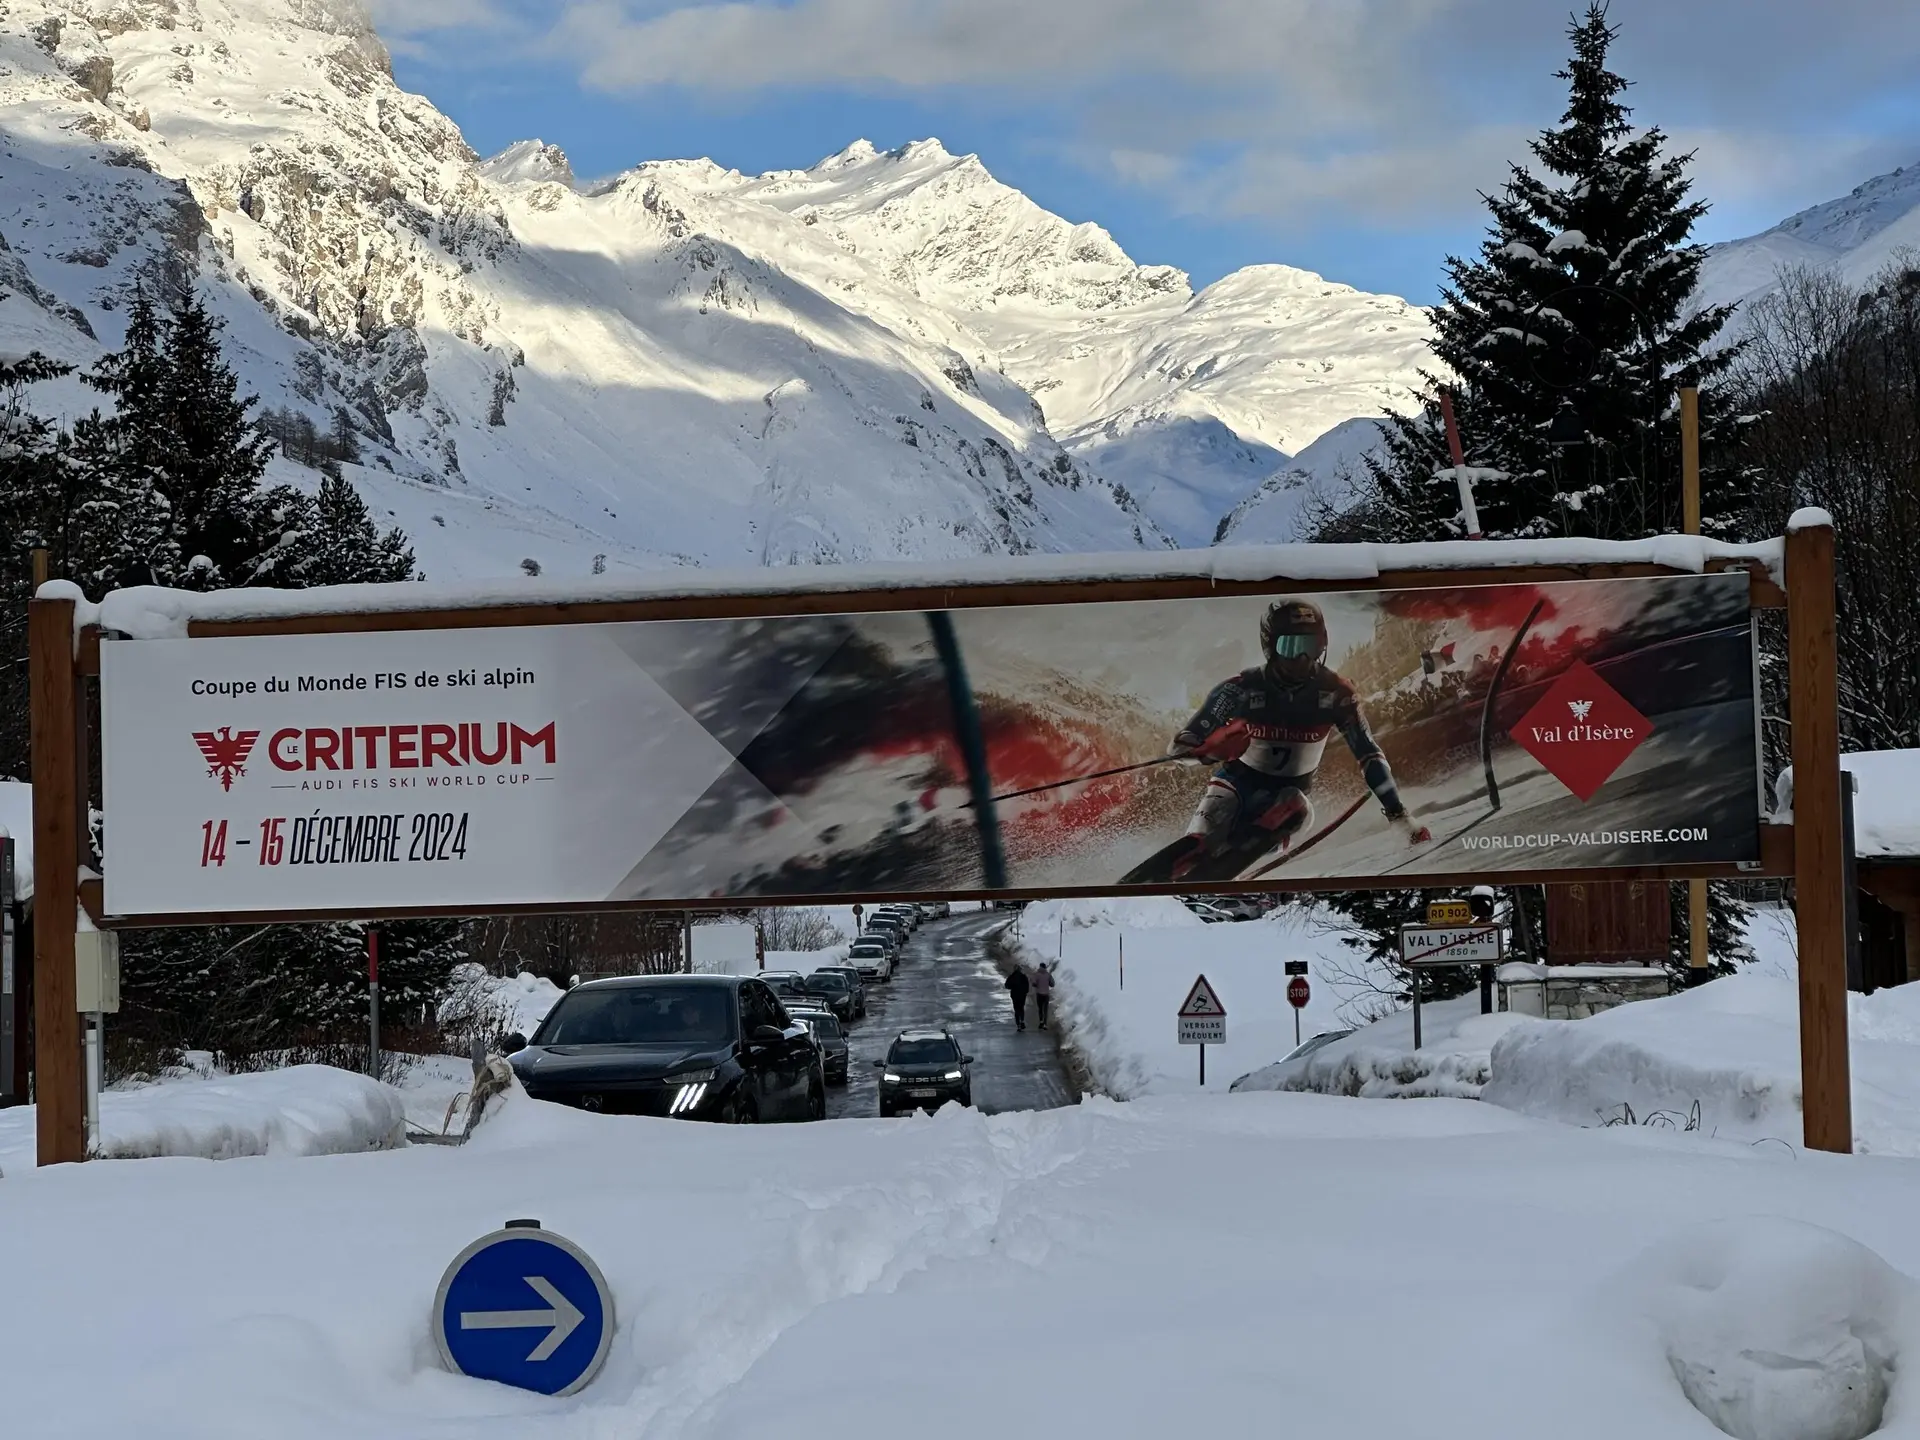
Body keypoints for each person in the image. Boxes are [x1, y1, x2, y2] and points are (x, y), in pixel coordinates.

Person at [1163, 598, 1431, 880]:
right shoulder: (1240, 688)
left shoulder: (1337, 693)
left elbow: (1368, 753)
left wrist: (1399, 816)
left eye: (1311, 646)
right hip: (1233, 787)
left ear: (1322, 644)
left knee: (1292, 805)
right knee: (1201, 840)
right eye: (1291, 647)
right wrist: (1206, 748)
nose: (1303, 658)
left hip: (1287, 801)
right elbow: (1182, 744)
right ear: (1271, 647)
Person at [1004, 964, 1030, 1031]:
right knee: (1021, 1008)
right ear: (1020, 969)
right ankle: (1022, 1021)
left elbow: (1007, 985)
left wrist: (1012, 987)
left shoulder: (1011, 976)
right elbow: (1027, 987)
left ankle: (1018, 1025)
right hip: (1022, 995)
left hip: (1014, 995)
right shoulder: (1023, 977)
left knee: (1016, 1009)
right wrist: (1025, 992)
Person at [1031, 962, 1054, 1030]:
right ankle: (1045, 1024)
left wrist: (1037, 985)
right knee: (1045, 1009)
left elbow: (1033, 983)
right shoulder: (1048, 975)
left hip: (1039, 994)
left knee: (1040, 1009)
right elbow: (1052, 984)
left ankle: (1041, 1021)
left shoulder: (1037, 975)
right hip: (1046, 994)